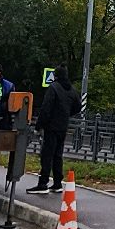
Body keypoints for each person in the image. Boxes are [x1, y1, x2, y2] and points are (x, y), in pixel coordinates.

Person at [31, 66, 77, 194]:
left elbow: (46, 108)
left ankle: (43, 184)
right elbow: (78, 106)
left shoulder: (54, 88)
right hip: (63, 126)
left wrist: (38, 126)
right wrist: (66, 113)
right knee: (58, 155)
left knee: (47, 155)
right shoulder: (71, 89)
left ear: (55, 75)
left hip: (51, 126)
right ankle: (57, 183)